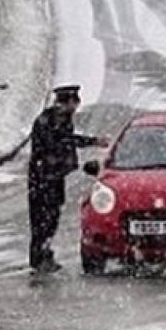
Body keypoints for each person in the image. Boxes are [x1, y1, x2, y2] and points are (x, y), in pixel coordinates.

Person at [27, 85, 106, 273]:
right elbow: (61, 142)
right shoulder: (49, 121)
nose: (76, 107)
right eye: (74, 103)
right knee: (43, 219)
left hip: (52, 177)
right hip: (44, 178)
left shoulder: (60, 119)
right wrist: (91, 142)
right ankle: (39, 257)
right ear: (67, 102)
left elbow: (65, 140)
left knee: (51, 218)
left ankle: (44, 254)